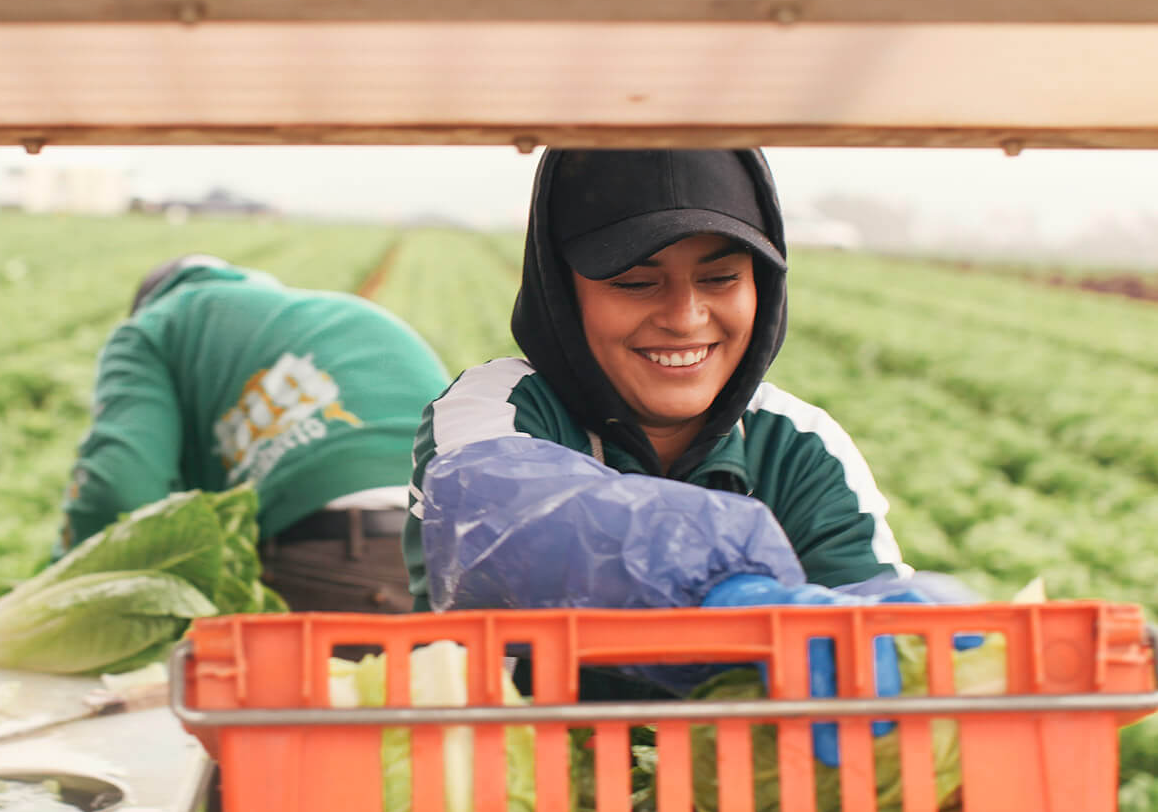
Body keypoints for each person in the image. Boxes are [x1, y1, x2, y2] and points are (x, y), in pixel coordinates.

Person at [406, 149, 955, 756]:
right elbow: (507, 516)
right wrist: (721, 591)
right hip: (513, 791)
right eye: (635, 283)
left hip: (736, 803)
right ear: (561, 292)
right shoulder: (495, 409)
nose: (685, 318)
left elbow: (867, 630)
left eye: (721, 279)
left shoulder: (801, 444)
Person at [65, 254, 451, 614]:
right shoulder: (327, 315)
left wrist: (63, 591)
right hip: (468, 547)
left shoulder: (154, 325)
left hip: (345, 554)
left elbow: (118, 492)